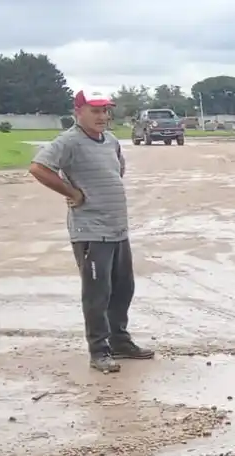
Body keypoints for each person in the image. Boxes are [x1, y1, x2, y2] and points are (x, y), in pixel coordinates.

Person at [29, 89, 154, 374]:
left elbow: (116, 171)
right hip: (90, 232)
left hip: (117, 229)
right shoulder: (68, 141)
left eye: (105, 110)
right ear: (79, 112)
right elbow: (38, 168)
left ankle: (120, 341)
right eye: (95, 111)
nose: (103, 116)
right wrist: (72, 192)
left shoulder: (109, 140)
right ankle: (99, 352)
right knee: (97, 294)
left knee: (123, 289)